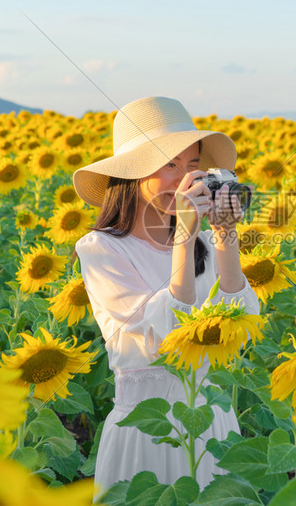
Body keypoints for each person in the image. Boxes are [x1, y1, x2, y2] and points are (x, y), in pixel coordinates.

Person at [71, 96, 260, 498]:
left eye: (193, 165)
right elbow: (169, 336)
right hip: (147, 431)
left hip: (211, 422)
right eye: (169, 164)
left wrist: (225, 235)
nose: (185, 178)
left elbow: (236, 330)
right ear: (132, 175)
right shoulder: (101, 249)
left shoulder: (206, 243)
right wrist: (183, 235)